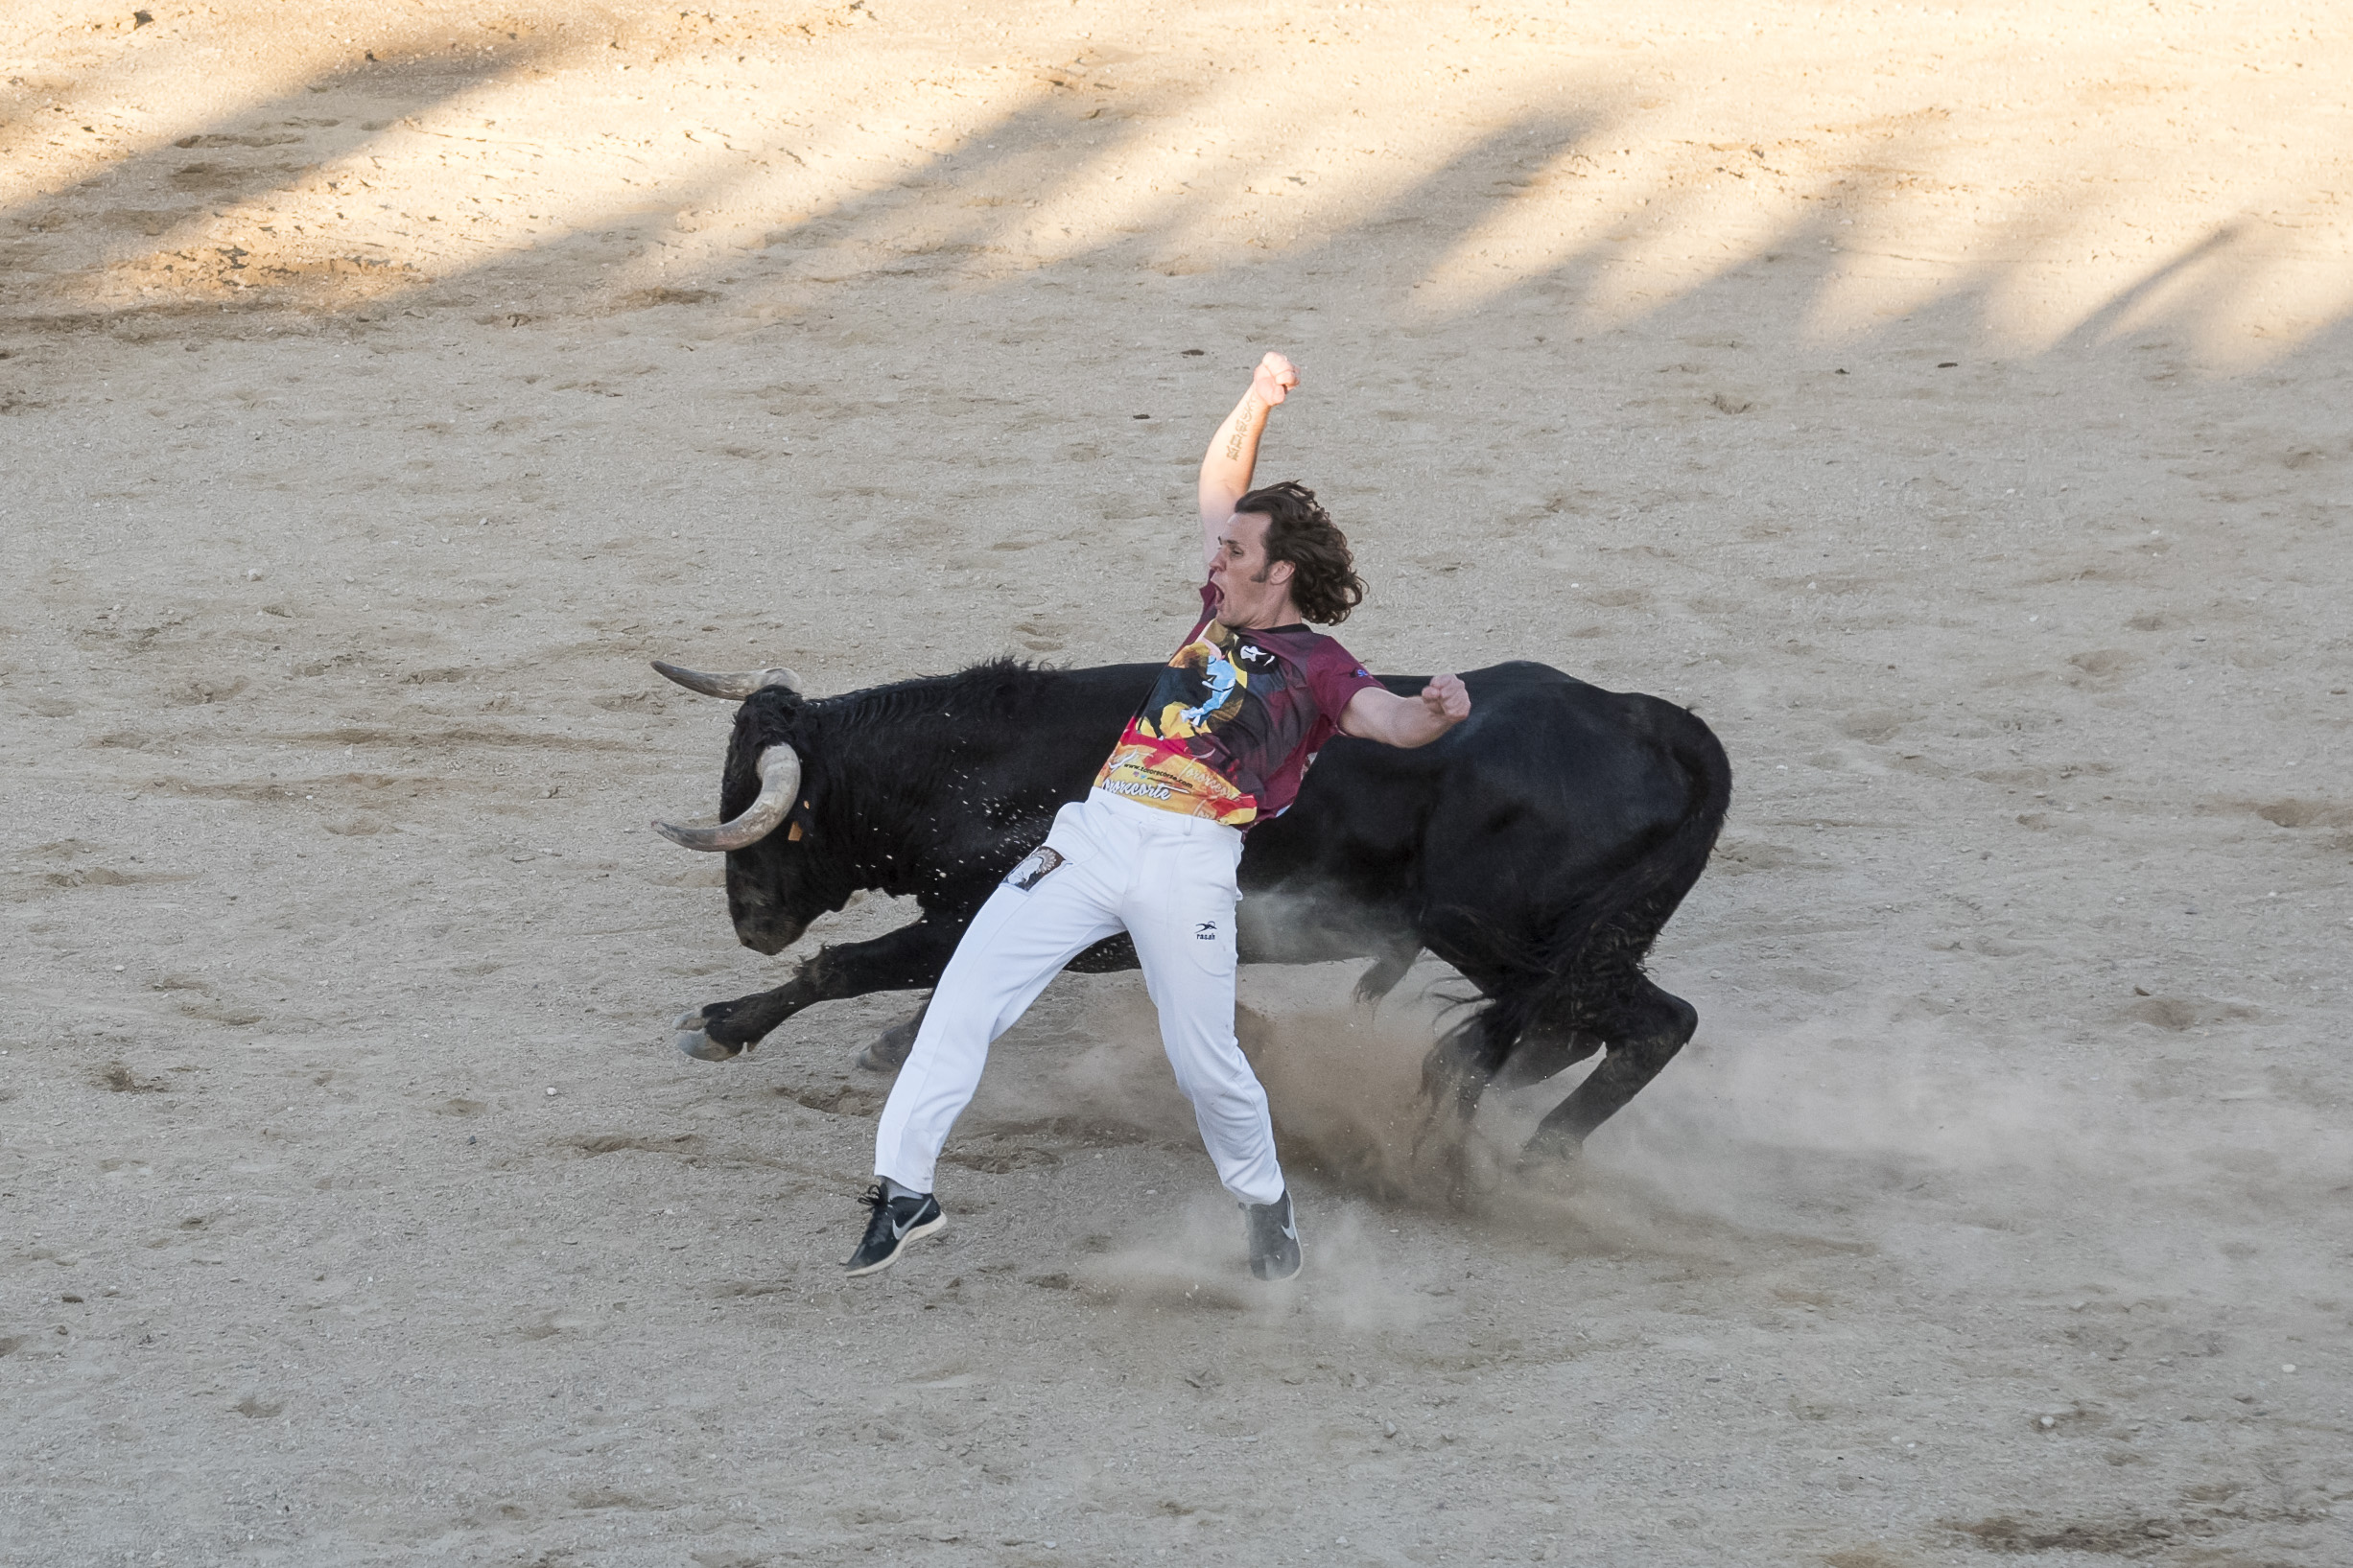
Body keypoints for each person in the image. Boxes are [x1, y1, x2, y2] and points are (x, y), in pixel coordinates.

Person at [848, 351, 1472, 1280]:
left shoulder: (1322, 668)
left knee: (1201, 1055)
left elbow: (1384, 719)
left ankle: (1264, 1204)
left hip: (1189, 864)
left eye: (1235, 552)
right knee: (967, 992)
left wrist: (1430, 714)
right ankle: (904, 1191)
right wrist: (1256, 401)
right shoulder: (1215, 613)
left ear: (1282, 573)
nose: (1215, 558)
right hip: (1093, 834)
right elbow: (1220, 481)